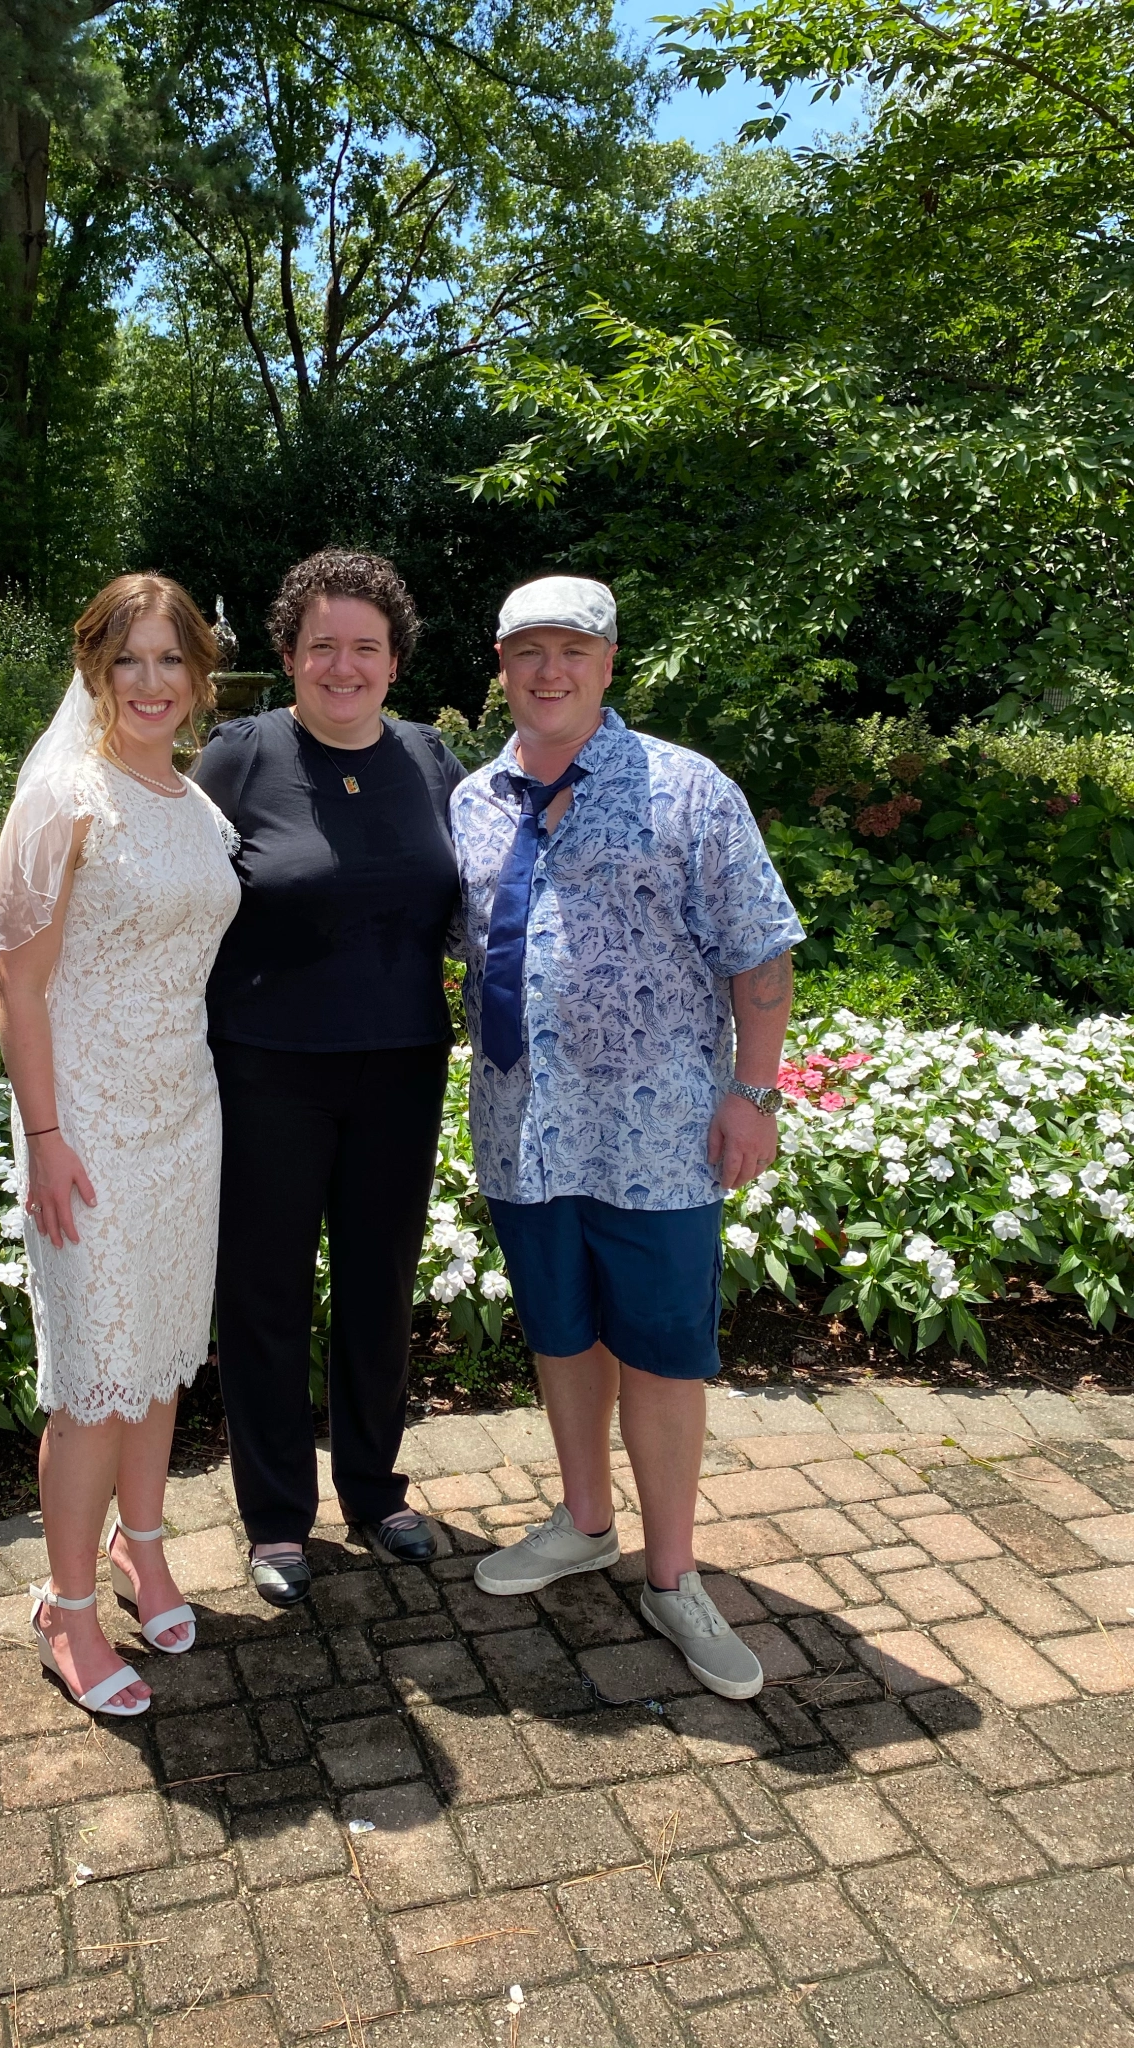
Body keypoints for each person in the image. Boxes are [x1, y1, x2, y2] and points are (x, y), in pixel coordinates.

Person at [448, 575, 804, 1698]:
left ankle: (673, 1572)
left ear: (608, 664)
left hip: (655, 1139)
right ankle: (585, 1518)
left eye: (572, 650)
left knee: (659, 1351)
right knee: (560, 1332)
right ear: (500, 665)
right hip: (524, 1130)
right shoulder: (472, 802)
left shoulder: (687, 790)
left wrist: (756, 1092)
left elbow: (761, 952)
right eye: (526, 651)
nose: (548, 671)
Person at [191, 550, 465, 1606]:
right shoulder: (239, 757)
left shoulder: (433, 757)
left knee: (377, 1286)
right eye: (322, 646)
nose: (342, 665)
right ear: (290, 654)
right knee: (263, 1292)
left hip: (401, 1064)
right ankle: (274, 1516)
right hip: (266, 1068)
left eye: (365, 646)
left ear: (394, 659)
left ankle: (374, 1487)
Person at [0, 573, 241, 1715]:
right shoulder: (62, 799)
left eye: (172, 660)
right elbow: (19, 983)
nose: (152, 682)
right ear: (94, 666)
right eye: (128, 659)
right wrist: (44, 1134)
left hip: (186, 1113)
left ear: (201, 676)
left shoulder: (196, 804)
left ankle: (146, 1549)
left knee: (162, 1353)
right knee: (96, 1375)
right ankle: (69, 1610)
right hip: (83, 1123)